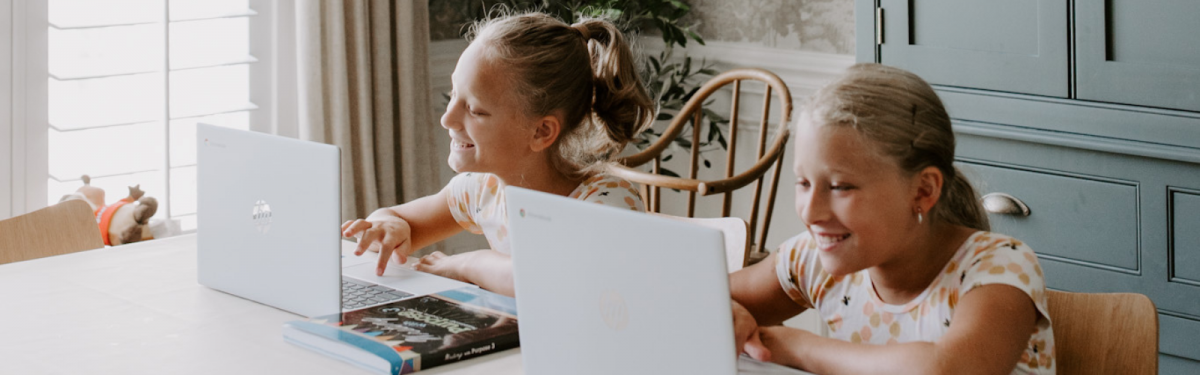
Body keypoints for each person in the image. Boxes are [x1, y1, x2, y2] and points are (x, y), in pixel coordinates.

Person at [730, 63, 1055, 374]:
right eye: (803, 183)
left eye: (840, 187)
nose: (811, 212)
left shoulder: (998, 266)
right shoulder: (812, 259)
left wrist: (795, 347)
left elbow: (945, 369)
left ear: (923, 191)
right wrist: (727, 313)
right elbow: (698, 294)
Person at [341, 11, 653, 297]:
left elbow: (549, 278)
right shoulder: (483, 189)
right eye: (453, 95)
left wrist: (468, 264)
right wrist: (389, 226)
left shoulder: (605, 202)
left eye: (474, 110)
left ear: (541, 132)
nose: (447, 119)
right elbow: (397, 219)